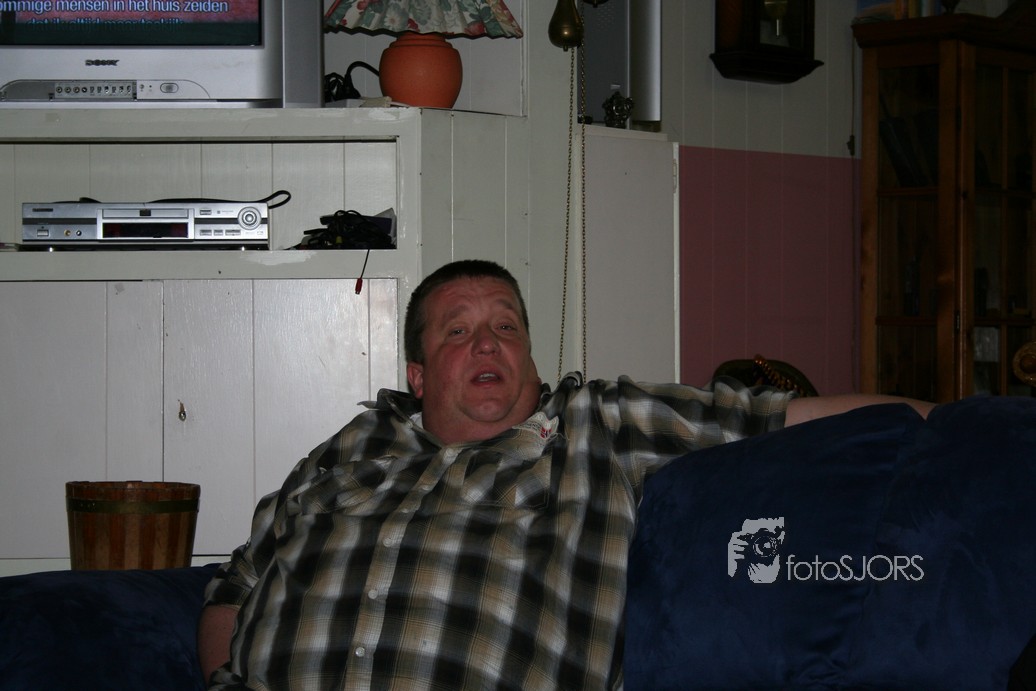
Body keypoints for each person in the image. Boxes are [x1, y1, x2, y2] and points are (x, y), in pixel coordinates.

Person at [198, 259, 933, 690]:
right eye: (458, 331)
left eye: (506, 326)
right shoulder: (351, 448)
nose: (488, 341)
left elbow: (778, 416)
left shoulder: (593, 427)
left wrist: (956, 422)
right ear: (418, 376)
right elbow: (236, 586)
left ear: (531, 359)